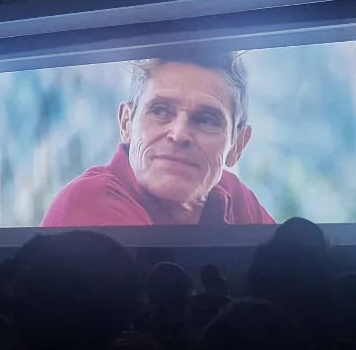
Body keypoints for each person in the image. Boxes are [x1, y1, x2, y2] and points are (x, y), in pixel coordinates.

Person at [42, 49, 274, 227]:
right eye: (160, 111)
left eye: (206, 120)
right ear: (126, 123)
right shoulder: (91, 201)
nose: (179, 134)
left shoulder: (234, 195)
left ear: (237, 146)